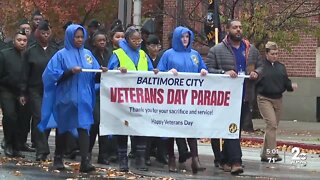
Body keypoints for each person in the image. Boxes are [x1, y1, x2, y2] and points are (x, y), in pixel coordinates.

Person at [38, 24, 106, 172]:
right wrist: (69, 72)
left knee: (84, 127)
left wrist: (102, 72)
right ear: (70, 37)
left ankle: (85, 161)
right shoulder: (61, 55)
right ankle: (58, 157)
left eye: (82, 37)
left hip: (84, 98)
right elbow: (49, 76)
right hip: (65, 97)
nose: (80, 40)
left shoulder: (87, 54)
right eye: (77, 37)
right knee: (63, 128)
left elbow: (94, 75)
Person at [206, 19, 263, 175]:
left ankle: (224, 159)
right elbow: (208, 69)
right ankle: (236, 161)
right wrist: (223, 73)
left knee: (234, 131)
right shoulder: (217, 50)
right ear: (228, 30)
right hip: (225, 98)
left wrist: (256, 73)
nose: (238, 30)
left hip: (245, 95)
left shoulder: (251, 49)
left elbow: (261, 65)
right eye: (235, 27)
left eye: (240, 27)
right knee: (231, 128)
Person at [157, 26, 208, 174]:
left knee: (191, 127)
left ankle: (195, 159)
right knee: (171, 128)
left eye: (187, 37)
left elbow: (203, 69)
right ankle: (171, 158)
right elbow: (159, 73)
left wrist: (204, 71)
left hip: (190, 99)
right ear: (176, 38)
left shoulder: (195, 54)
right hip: (172, 99)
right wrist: (168, 73)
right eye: (182, 37)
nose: (185, 39)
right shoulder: (168, 55)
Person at [108, 26, 154, 172]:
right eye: (134, 40)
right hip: (123, 98)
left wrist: (155, 72)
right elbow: (109, 74)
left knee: (140, 127)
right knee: (123, 128)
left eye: (139, 39)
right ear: (127, 40)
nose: (137, 42)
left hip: (141, 98)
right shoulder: (118, 54)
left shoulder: (143, 55)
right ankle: (123, 159)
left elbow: (150, 71)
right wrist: (117, 70)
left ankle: (140, 158)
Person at [20, 20, 59, 161]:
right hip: (34, 89)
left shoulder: (55, 51)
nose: (45, 36)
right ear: (37, 34)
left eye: (48, 33)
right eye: (43, 33)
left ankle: (40, 142)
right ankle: (42, 150)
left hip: (51, 89)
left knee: (48, 118)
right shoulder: (30, 51)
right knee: (39, 117)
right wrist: (23, 92)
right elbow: (25, 73)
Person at [256, 41, 297, 162]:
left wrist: (291, 86)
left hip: (278, 99)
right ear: (267, 53)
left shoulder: (281, 67)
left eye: (277, 53)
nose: (275, 56)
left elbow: (286, 82)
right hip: (264, 98)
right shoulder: (261, 66)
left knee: (272, 127)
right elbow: (254, 82)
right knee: (272, 124)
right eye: (273, 53)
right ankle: (272, 154)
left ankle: (264, 154)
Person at [0, 30, 28, 158]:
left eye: (24, 40)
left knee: (21, 118)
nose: (22, 43)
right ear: (14, 41)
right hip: (6, 90)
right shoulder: (5, 55)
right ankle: (8, 143)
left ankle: (17, 146)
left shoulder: (27, 56)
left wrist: (23, 91)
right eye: (19, 40)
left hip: (22, 92)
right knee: (10, 116)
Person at [88, 30, 112, 165]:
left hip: (108, 92)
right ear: (94, 42)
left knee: (105, 124)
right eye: (99, 40)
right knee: (95, 122)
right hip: (95, 92)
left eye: (104, 40)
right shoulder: (90, 55)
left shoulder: (111, 54)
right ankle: (88, 151)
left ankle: (103, 155)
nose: (102, 42)